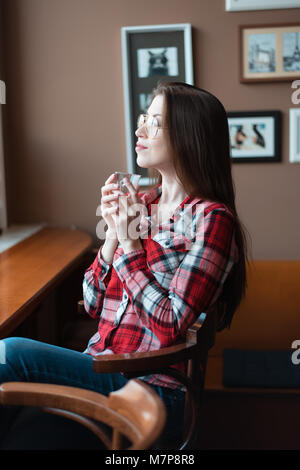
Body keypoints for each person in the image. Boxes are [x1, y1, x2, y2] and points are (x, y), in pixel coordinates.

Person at [0, 82, 249, 448]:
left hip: (152, 390)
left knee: (11, 351)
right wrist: (115, 233)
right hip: (100, 369)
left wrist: (131, 241)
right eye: (143, 118)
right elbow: (91, 302)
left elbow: (168, 326)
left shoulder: (212, 220)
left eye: (155, 122)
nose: (140, 129)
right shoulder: (143, 204)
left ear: (189, 136)